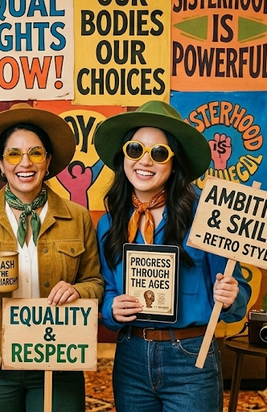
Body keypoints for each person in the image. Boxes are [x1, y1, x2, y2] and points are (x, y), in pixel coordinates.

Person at [93, 100, 251, 412]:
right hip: (131, 356)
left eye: (159, 153)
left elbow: (238, 291)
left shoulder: (207, 213)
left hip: (191, 357)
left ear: (175, 161)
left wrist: (232, 297)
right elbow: (108, 288)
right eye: (136, 150)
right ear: (123, 156)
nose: (145, 162)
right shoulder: (108, 223)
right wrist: (112, 307)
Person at [0, 104, 104, 412]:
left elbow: (95, 282)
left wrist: (79, 291)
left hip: (58, 358)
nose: (25, 163)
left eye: (35, 153)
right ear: (1, 164)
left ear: (48, 162)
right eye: (14, 154)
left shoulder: (77, 217)